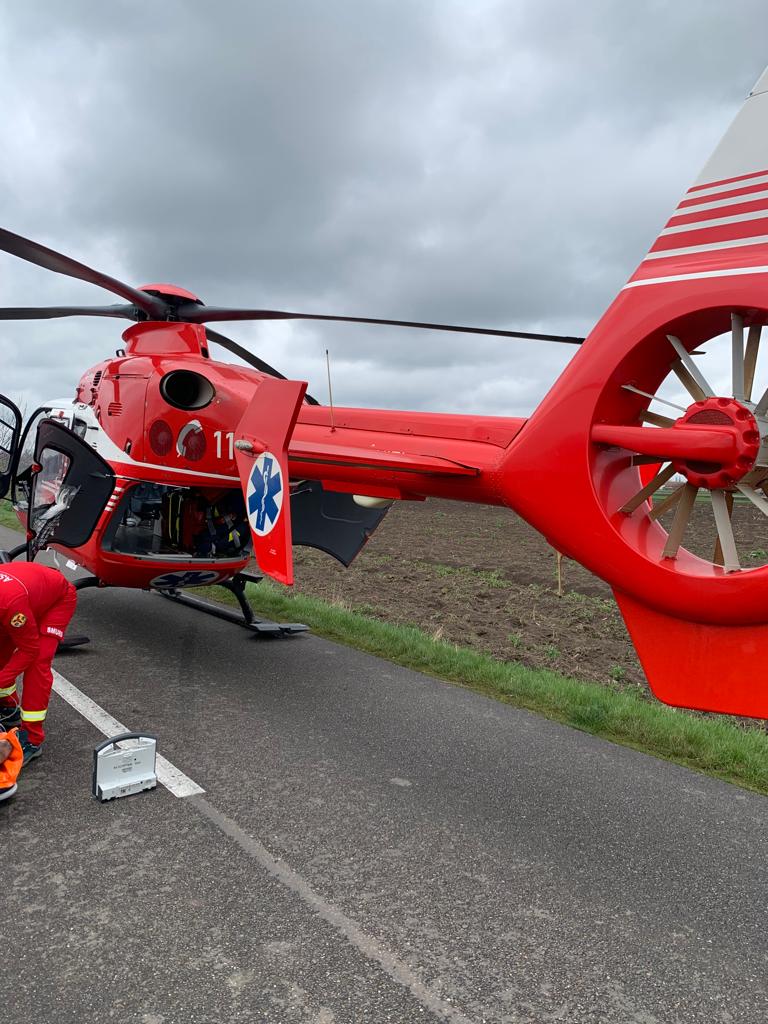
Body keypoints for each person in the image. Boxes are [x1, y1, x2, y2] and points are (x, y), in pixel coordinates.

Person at [0, 563, 77, 764]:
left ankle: (32, 740)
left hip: (57, 600)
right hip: (26, 598)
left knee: (37, 664)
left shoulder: (9, 604)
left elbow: (29, 650)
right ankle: (8, 707)